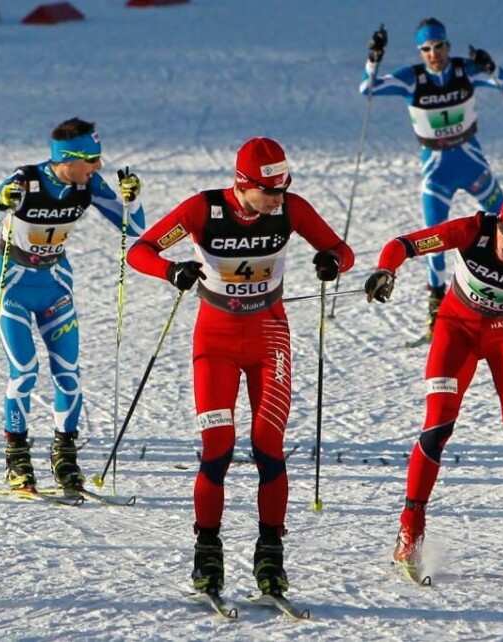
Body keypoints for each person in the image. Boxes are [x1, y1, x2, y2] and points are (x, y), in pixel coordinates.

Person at [127, 137, 354, 598]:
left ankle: (271, 554)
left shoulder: (292, 209)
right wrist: (171, 271)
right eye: (269, 191)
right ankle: (207, 552)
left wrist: (331, 261)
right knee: (218, 448)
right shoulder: (202, 210)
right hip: (216, 339)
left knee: (269, 445)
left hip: (270, 336)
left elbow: (341, 250)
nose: (278, 198)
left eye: (283, 188)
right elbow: (140, 251)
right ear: (243, 184)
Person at [364, 189, 503, 577]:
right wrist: (386, 269)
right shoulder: (473, 230)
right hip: (456, 332)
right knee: (437, 425)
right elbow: (406, 244)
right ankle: (410, 529)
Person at [0, 117, 145, 494]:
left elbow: (135, 230)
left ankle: (65, 456)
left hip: (55, 284)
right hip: (13, 284)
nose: (98, 166)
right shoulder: (24, 182)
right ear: (67, 159)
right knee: (25, 372)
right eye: (91, 159)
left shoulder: (89, 185)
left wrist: (133, 199)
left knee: (69, 375)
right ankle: (17, 458)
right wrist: (0, 205)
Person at [361, 18, 503, 344]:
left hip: (473, 167)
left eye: (439, 46)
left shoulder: (464, 70)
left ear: (448, 45)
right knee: (433, 240)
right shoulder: (412, 79)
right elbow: (368, 89)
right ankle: (436, 304)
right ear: (420, 52)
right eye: (426, 49)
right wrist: (373, 59)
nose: (434, 54)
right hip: (437, 175)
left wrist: (489, 66)